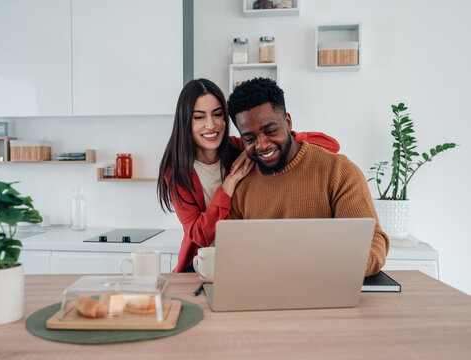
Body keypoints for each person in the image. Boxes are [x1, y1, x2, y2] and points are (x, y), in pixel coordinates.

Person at [157, 78, 341, 273]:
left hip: (243, 260)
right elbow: (200, 236)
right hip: (201, 265)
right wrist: (229, 184)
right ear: (185, 121)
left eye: (218, 115)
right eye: (199, 117)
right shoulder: (176, 170)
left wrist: (256, 145)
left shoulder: (240, 147)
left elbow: (331, 145)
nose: (211, 125)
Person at [227, 77, 389, 276]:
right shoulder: (242, 184)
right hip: (264, 291)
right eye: (250, 139)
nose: (261, 145)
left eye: (270, 131)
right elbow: (233, 252)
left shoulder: (339, 172)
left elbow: (372, 242)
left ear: (287, 121)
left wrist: (328, 266)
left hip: (327, 287)